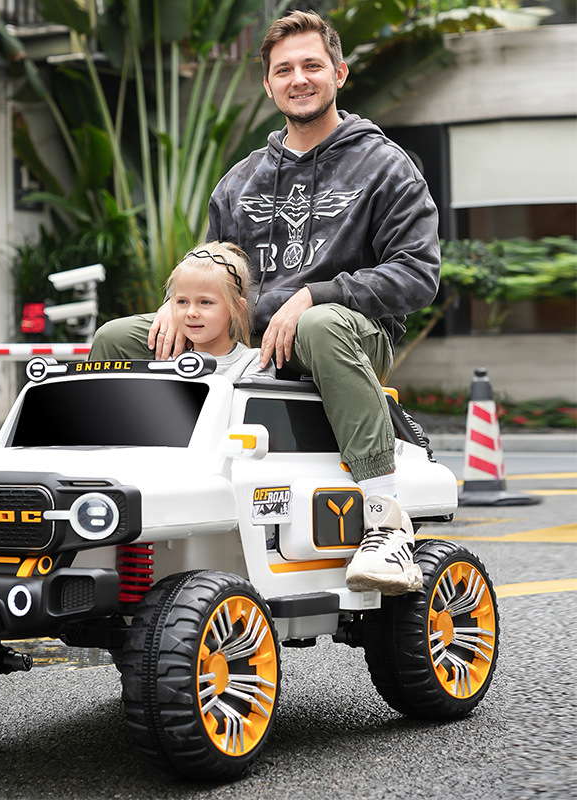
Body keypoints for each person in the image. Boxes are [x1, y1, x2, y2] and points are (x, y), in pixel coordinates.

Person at [91, 10, 441, 595]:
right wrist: (180, 309)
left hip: (347, 336)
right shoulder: (240, 180)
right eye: (285, 70)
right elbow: (214, 271)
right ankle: (121, 501)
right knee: (118, 337)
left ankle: (385, 521)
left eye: (312, 65)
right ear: (269, 83)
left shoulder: (386, 166)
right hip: (249, 332)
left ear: (340, 72)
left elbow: (418, 275)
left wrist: (313, 294)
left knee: (321, 325)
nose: (298, 79)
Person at [93, 242, 274, 381]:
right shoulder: (163, 364)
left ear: (236, 307)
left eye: (205, 302)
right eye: (182, 301)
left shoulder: (254, 364)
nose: (191, 313)